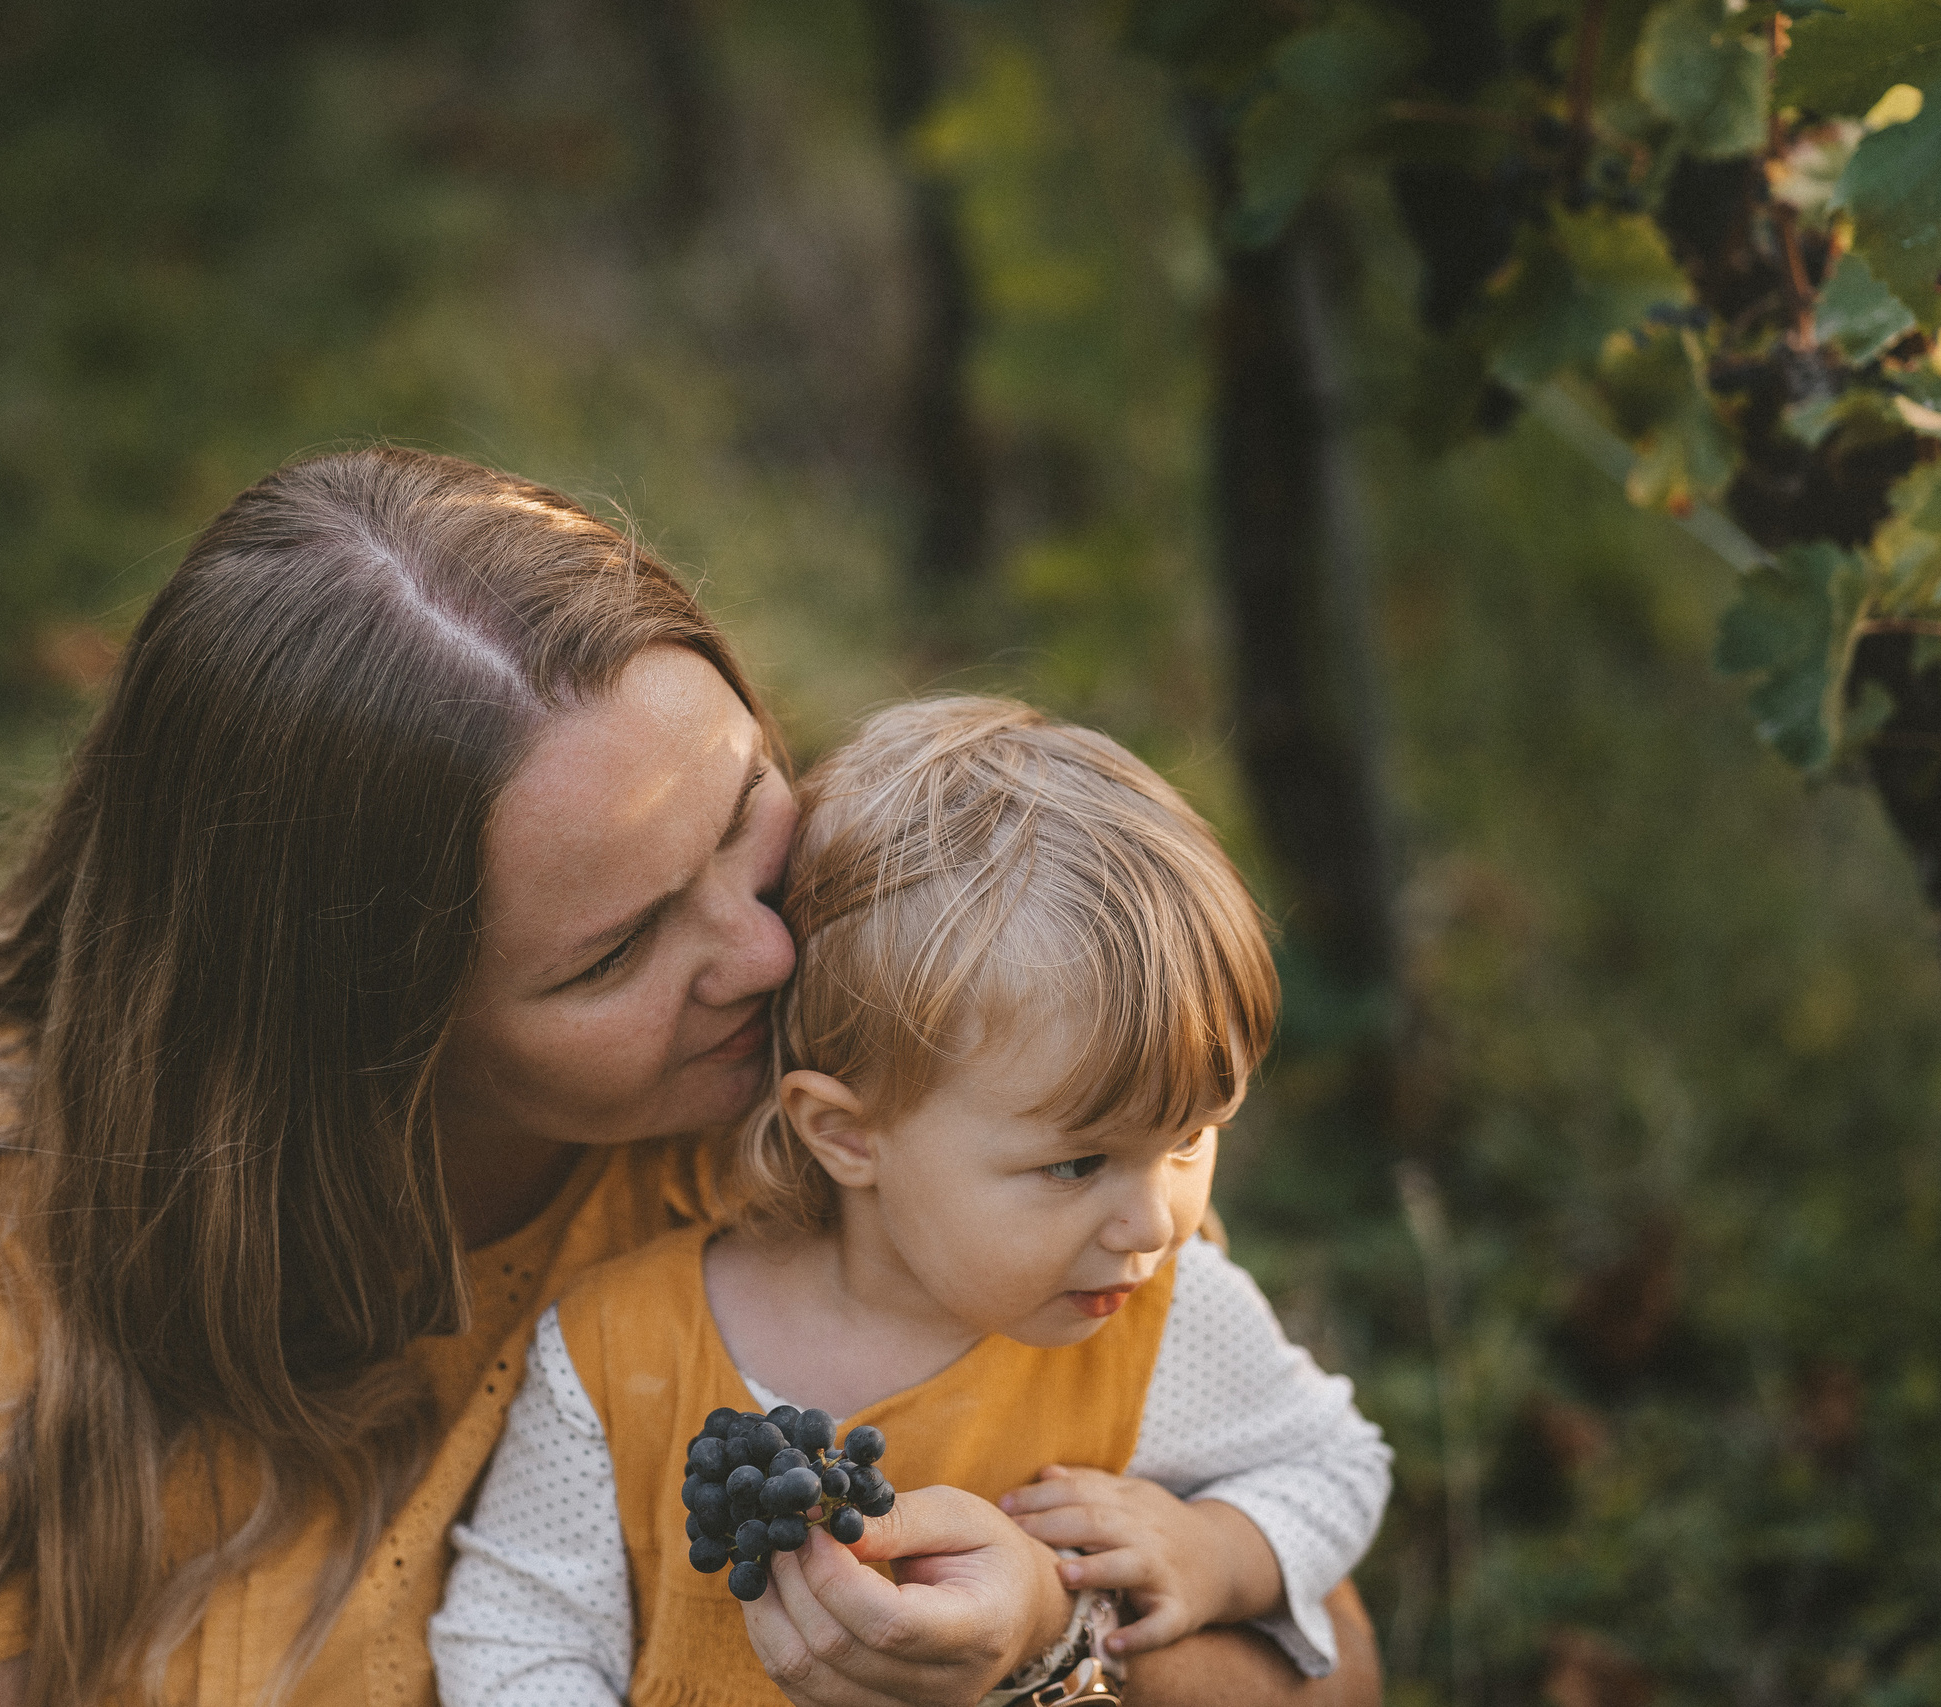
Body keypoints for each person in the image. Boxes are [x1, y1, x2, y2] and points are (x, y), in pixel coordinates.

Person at [0, 446, 1381, 1707]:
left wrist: (1060, 1646)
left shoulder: (860, 1108)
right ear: (357, 1036)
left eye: (746, 813)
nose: (765, 955)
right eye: (613, 951)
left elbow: (1322, 1656)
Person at [430, 697, 1390, 1706]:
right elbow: (517, 1632)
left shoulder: (1163, 1320)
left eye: (1191, 1137)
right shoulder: (616, 1352)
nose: (1155, 1223)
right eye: (1077, 1164)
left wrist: (1214, 1550)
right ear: (847, 1135)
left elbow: (1333, 1464)